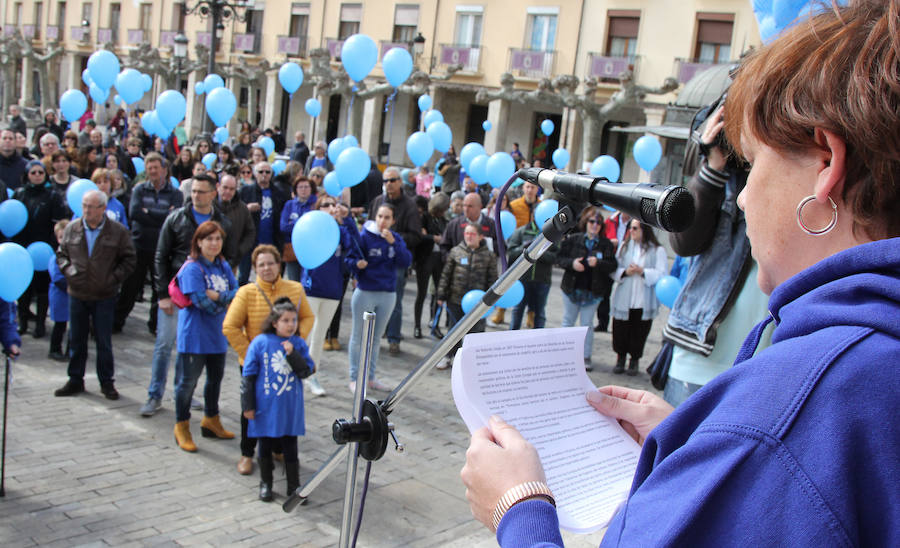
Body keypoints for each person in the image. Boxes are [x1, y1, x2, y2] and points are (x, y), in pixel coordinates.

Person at [464, 3, 900, 543]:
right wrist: (691, 439)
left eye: (755, 161)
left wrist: (519, 508)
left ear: (825, 165)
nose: (740, 197)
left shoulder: (793, 408)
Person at [662, 101, 770, 406]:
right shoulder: (723, 182)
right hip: (700, 358)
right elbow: (684, 242)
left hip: (765, 364)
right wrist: (713, 166)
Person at [141, 175, 232, 417]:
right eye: (193, 191)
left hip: (207, 297)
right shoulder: (176, 218)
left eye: (202, 191)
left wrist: (221, 295)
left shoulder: (222, 221)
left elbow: (228, 258)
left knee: (194, 350)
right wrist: (161, 294)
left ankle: (186, 394)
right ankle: (154, 394)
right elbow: (160, 256)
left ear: (214, 194)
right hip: (177, 295)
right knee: (164, 345)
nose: (196, 196)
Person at [222, 245, 314, 476]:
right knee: (251, 410)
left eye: (271, 263)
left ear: (279, 265)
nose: (266, 268)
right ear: (254, 268)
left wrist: (296, 341)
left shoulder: (294, 288)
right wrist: (252, 353)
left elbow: (307, 317)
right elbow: (230, 327)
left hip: (286, 363)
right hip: (255, 365)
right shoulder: (246, 292)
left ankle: (278, 449)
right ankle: (246, 453)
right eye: (261, 264)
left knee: (281, 407)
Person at [54, 190, 136, 399]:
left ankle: (107, 382)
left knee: (103, 341)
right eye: (84, 206)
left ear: (102, 209)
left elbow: (129, 260)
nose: (87, 210)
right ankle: (75, 380)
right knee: (77, 339)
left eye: (91, 206)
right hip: (78, 293)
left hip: (104, 295)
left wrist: (112, 279)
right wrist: (70, 272)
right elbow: (61, 255)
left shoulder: (117, 231)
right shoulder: (72, 229)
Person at [172, 221, 238, 452]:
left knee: (214, 381)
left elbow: (236, 292)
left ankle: (211, 419)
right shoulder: (192, 268)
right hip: (194, 337)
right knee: (187, 383)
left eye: (218, 239)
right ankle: (181, 425)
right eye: (209, 239)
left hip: (217, 336)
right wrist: (225, 299)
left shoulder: (222, 265)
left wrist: (218, 295)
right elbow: (201, 302)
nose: (214, 243)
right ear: (198, 242)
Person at [241, 297, 314, 502]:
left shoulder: (297, 344)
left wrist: (293, 355)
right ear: (274, 322)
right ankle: (266, 483)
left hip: (289, 408)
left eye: (294, 320)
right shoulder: (260, 343)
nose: (291, 325)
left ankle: (294, 486)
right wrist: (248, 405)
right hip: (265, 407)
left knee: (290, 447)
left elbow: (306, 371)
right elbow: (248, 375)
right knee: (264, 445)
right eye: (286, 320)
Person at [346, 204, 412, 393]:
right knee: (358, 336)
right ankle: (354, 378)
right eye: (380, 216)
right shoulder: (365, 237)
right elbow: (349, 259)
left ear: (393, 221)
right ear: (375, 217)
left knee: (375, 339)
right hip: (365, 291)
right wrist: (357, 265)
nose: (383, 221)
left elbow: (405, 261)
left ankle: (370, 377)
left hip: (388, 293)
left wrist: (394, 243)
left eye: (387, 217)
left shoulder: (395, 238)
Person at [115, 152, 183, 333]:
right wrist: (162, 216)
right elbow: (135, 214)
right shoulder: (139, 190)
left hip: (163, 247)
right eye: (149, 168)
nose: (152, 172)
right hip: (139, 245)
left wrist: (149, 213)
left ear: (164, 170)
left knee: (159, 288)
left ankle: (155, 325)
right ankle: (117, 321)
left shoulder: (175, 194)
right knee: (130, 286)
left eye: (156, 168)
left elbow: (174, 218)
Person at [299, 196, 357, 397]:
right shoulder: (311, 226)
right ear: (317, 209)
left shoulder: (340, 231)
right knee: (304, 334)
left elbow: (355, 248)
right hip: (311, 288)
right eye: (326, 205)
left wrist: (346, 221)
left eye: (334, 205)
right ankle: (297, 372)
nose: (332, 208)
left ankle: (311, 375)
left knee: (319, 335)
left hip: (332, 290)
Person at [367, 167, 421, 356]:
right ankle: (373, 336)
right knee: (372, 300)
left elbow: (416, 236)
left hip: (395, 260)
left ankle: (393, 338)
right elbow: (368, 227)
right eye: (385, 181)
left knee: (394, 300)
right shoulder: (377, 202)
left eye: (392, 180)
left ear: (400, 182)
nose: (388, 184)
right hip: (374, 260)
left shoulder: (409, 205)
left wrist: (394, 238)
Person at [554, 206, 617, 370]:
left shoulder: (606, 244)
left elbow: (613, 265)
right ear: (585, 222)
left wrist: (599, 263)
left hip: (593, 292)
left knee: (587, 325)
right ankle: (564, 356)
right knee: (568, 322)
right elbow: (559, 258)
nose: (595, 225)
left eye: (598, 222)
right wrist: (573, 264)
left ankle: (585, 356)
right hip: (571, 289)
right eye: (592, 221)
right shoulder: (573, 239)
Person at [13, 160, 68, 338]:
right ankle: (22, 322)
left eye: (40, 173)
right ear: (27, 175)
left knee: (42, 289)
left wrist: (52, 247)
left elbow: (58, 223)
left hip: (43, 249)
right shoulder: (19, 194)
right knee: (24, 289)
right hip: (22, 248)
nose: (37, 176)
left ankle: (40, 324)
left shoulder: (52, 195)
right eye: (33, 173)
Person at [436, 223, 498, 369]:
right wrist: (441, 294)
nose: (469, 236)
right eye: (467, 233)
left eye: (472, 234)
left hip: (478, 304)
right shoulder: (456, 252)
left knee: (476, 333)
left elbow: (493, 279)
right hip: (455, 300)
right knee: (454, 331)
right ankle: (449, 356)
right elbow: (446, 275)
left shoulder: (489, 255)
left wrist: (492, 300)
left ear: (481, 236)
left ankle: (472, 362)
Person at [610, 219, 667, 374]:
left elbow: (662, 274)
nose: (631, 231)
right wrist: (625, 272)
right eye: (630, 228)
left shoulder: (657, 250)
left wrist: (643, 271)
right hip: (624, 297)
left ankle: (634, 360)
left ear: (644, 229)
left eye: (635, 228)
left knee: (639, 332)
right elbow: (613, 269)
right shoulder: (624, 246)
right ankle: (620, 358)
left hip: (643, 299)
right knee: (620, 330)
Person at [238, 161, 288, 285]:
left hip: (272, 240)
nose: (264, 174)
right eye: (261, 172)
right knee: (243, 276)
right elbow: (235, 210)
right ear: (255, 174)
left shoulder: (279, 192)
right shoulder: (245, 191)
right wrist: (247, 208)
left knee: (273, 277)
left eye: (267, 172)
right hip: (250, 241)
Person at [506, 218, 558, 331]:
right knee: (517, 310)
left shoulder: (553, 233)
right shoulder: (521, 231)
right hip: (522, 279)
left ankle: (537, 342)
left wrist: (538, 251)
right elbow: (511, 253)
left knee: (540, 313)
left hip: (542, 280)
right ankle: (511, 339)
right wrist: (525, 249)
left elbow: (555, 258)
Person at [413, 194, 448, 339]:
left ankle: (435, 324)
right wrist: (433, 238)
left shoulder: (443, 220)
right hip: (425, 258)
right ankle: (417, 326)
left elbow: (445, 237)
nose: (441, 213)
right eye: (439, 210)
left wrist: (431, 236)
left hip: (439, 259)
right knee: (421, 294)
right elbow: (419, 236)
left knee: (438, 294)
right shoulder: (423, 217)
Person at [216, 174, 256, 275]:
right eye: (225, 187)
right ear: (218, 186)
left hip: (232, 261)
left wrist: (239, 250)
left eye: (232, 189)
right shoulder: (209, 205)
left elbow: (250, 232)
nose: (228, 192)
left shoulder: (242, 208)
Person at [279, 176, 317, 281]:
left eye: (306, 187)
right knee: (293, 281)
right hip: (292, 248)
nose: (303, 190)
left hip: (311, 249)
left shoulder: (316, 205)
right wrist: (302, 222)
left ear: (311, 189)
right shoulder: (289, 205)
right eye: (300, 187)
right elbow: (283, 227)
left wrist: (294, 224)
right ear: (295, 190)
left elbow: (315, 228)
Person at [48, 220, 71, 362]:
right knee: (60, 325)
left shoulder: (75, 255)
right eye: (61, 237)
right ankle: (54, 349)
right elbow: (57, 278)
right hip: (60, 296)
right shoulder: (55, 257)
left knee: (74, 326)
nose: (64, 240)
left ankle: (71, 350)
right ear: (57, 238)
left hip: (72, 296)